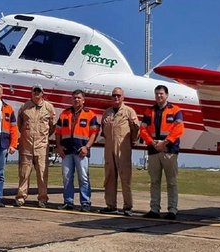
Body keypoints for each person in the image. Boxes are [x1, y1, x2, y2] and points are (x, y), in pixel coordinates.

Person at [140, 85, 184, 220]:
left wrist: (165, 143)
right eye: (157, 94)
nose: (159, 96)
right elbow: (143, 130)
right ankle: (154, 209)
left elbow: (179, 129)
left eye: (161, 94)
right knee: (154, 181)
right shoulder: (149, 111)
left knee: (171, 182)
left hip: (169, 150)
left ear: (166, 95)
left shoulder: (175, 110)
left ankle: (172, 210)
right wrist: (153, 143)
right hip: (153, 150)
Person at [55, 89, 100, 212]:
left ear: (83, 100)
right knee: (67, 177)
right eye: (74, 97)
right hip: (66, 151)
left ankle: (85, 202)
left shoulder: (90, 114)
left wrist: (87, 147)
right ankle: (68, 202)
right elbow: (57, 132)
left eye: (79, 98)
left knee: (83, 178)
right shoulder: (64, 114)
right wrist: (58, 146)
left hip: (81, 152)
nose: (76, 100)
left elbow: (94, 133)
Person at [14, 84, 56, 208]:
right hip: (26, 145)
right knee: (24, 173)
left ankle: (42, 198)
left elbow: (52, 127)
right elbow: (19, 124)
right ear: (31, 93)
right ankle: (21, 197)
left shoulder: (49, 108)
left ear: (42, 93)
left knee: (42, 173)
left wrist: (43, 138)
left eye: (39, 91)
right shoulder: (24, 107)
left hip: (42, 146)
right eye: (34, 91)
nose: (36, 93)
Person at [100, 87, 139, 216]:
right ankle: (111, 205)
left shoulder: (129, 111)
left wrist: (131, 142)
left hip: (123, 148)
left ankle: (128, 206)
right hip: (109, 147)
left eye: (118, 95)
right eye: (114, 95)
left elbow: (136, 130)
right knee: (109, 177)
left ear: (123, 97)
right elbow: (103, 131)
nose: (116, 98)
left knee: (125, 177)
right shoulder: (107, 113)